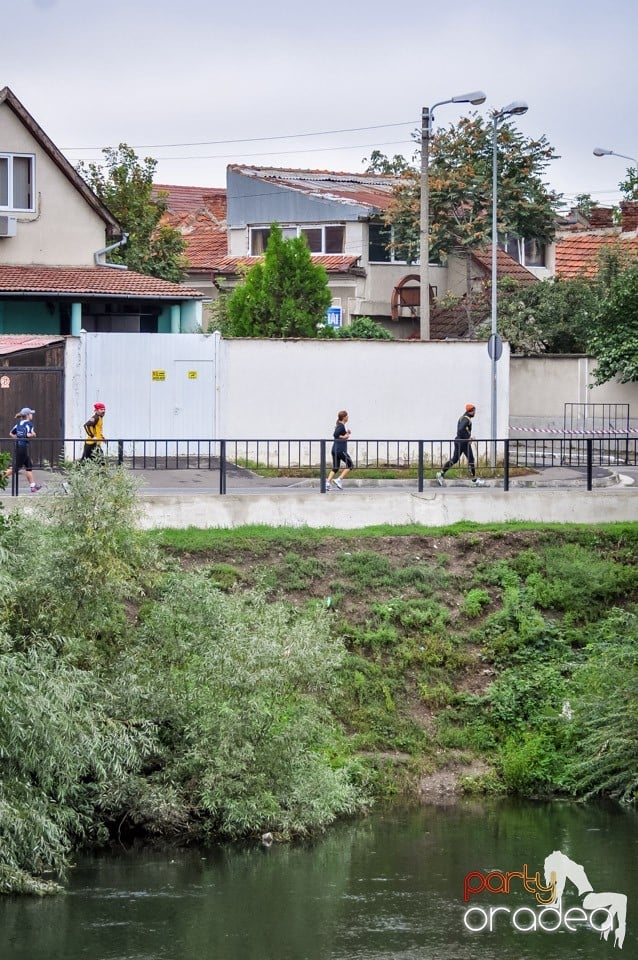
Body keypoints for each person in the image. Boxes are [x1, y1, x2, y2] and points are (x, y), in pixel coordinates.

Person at [436, 403, 485, 486]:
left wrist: (467, 437)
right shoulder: (466, 419)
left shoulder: (462, 418)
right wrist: (468, 438)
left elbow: (462, 430)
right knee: (471, 460)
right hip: (463, 443)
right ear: (470, 411)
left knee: (455, 459)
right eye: (474, 411)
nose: (475, 413)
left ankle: (440, 474)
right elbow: (460, 429)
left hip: (460, 441)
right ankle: (474, 481)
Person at [5, 407, 42, 492]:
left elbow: (11, 433)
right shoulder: (29, 424)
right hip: (23, 448)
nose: (32, 415)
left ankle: (33, 486)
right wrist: (33, 435)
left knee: (28, 465)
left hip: (19, 447)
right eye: (31, 414)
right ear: (28, 415)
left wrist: (18, 438)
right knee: (15, 468)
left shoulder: (18, 424)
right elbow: (28, 435)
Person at [326, 410, 353, 491]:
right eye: (347, 416)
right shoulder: (341, 426)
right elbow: (335, 435)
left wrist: (347, 433)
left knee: (335, 468)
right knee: (350, 465)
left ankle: (327, 483)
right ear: (344, 417)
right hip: (341, 450)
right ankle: (339, 479)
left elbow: (339, 435)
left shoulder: (340, 426)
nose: (348, 417)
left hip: (335, 449)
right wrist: (345, 437)